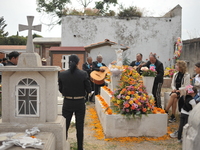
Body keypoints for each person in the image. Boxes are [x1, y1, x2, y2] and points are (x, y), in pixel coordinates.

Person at [58, 54, 91, 150]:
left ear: (69, 62)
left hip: (67, 102)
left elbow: (60, 89)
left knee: (65, 126)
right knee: (79, 126)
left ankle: (63, 146)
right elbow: (88, 89)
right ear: (78, 63)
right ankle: (80, 148)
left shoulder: (62, 74)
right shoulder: (83, 74)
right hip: (80, 102)